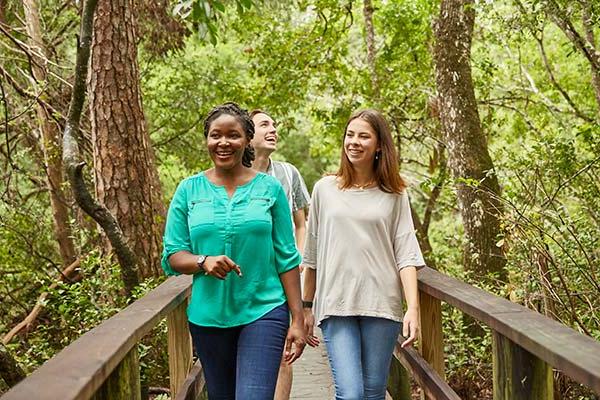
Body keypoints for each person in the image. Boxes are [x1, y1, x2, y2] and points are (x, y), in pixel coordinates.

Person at [161, 102, 306, 400]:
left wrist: (298, 317)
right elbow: (173, 255)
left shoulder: (269, 189)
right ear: (207, 140)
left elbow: (287, 257)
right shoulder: (188, 190)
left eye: (233, 135)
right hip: (208, 317)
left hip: (263, 309)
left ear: (246, 140)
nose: (223, 142)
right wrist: (203, 261)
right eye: (216, 135)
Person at [302, 109, 425, 400]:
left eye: (363, 136)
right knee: (351, 393)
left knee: (372, 393)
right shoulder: (324, 189)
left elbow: (405, 253)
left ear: (379, 145)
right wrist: (306, 307)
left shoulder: (394, 193)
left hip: (381, 304)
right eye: (350, 135)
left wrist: (413, 308)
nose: (354, 142)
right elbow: (312, 253)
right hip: (336, 304)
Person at [250, 109, 310, 400]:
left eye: (274, 124)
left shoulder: (288, 173)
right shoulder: (233, 172)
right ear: (249, 135)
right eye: (264, 125)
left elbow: (302, 224)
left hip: (283, 274)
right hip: (248, 275)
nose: (273, 129)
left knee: (283, 346)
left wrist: (298, 256)